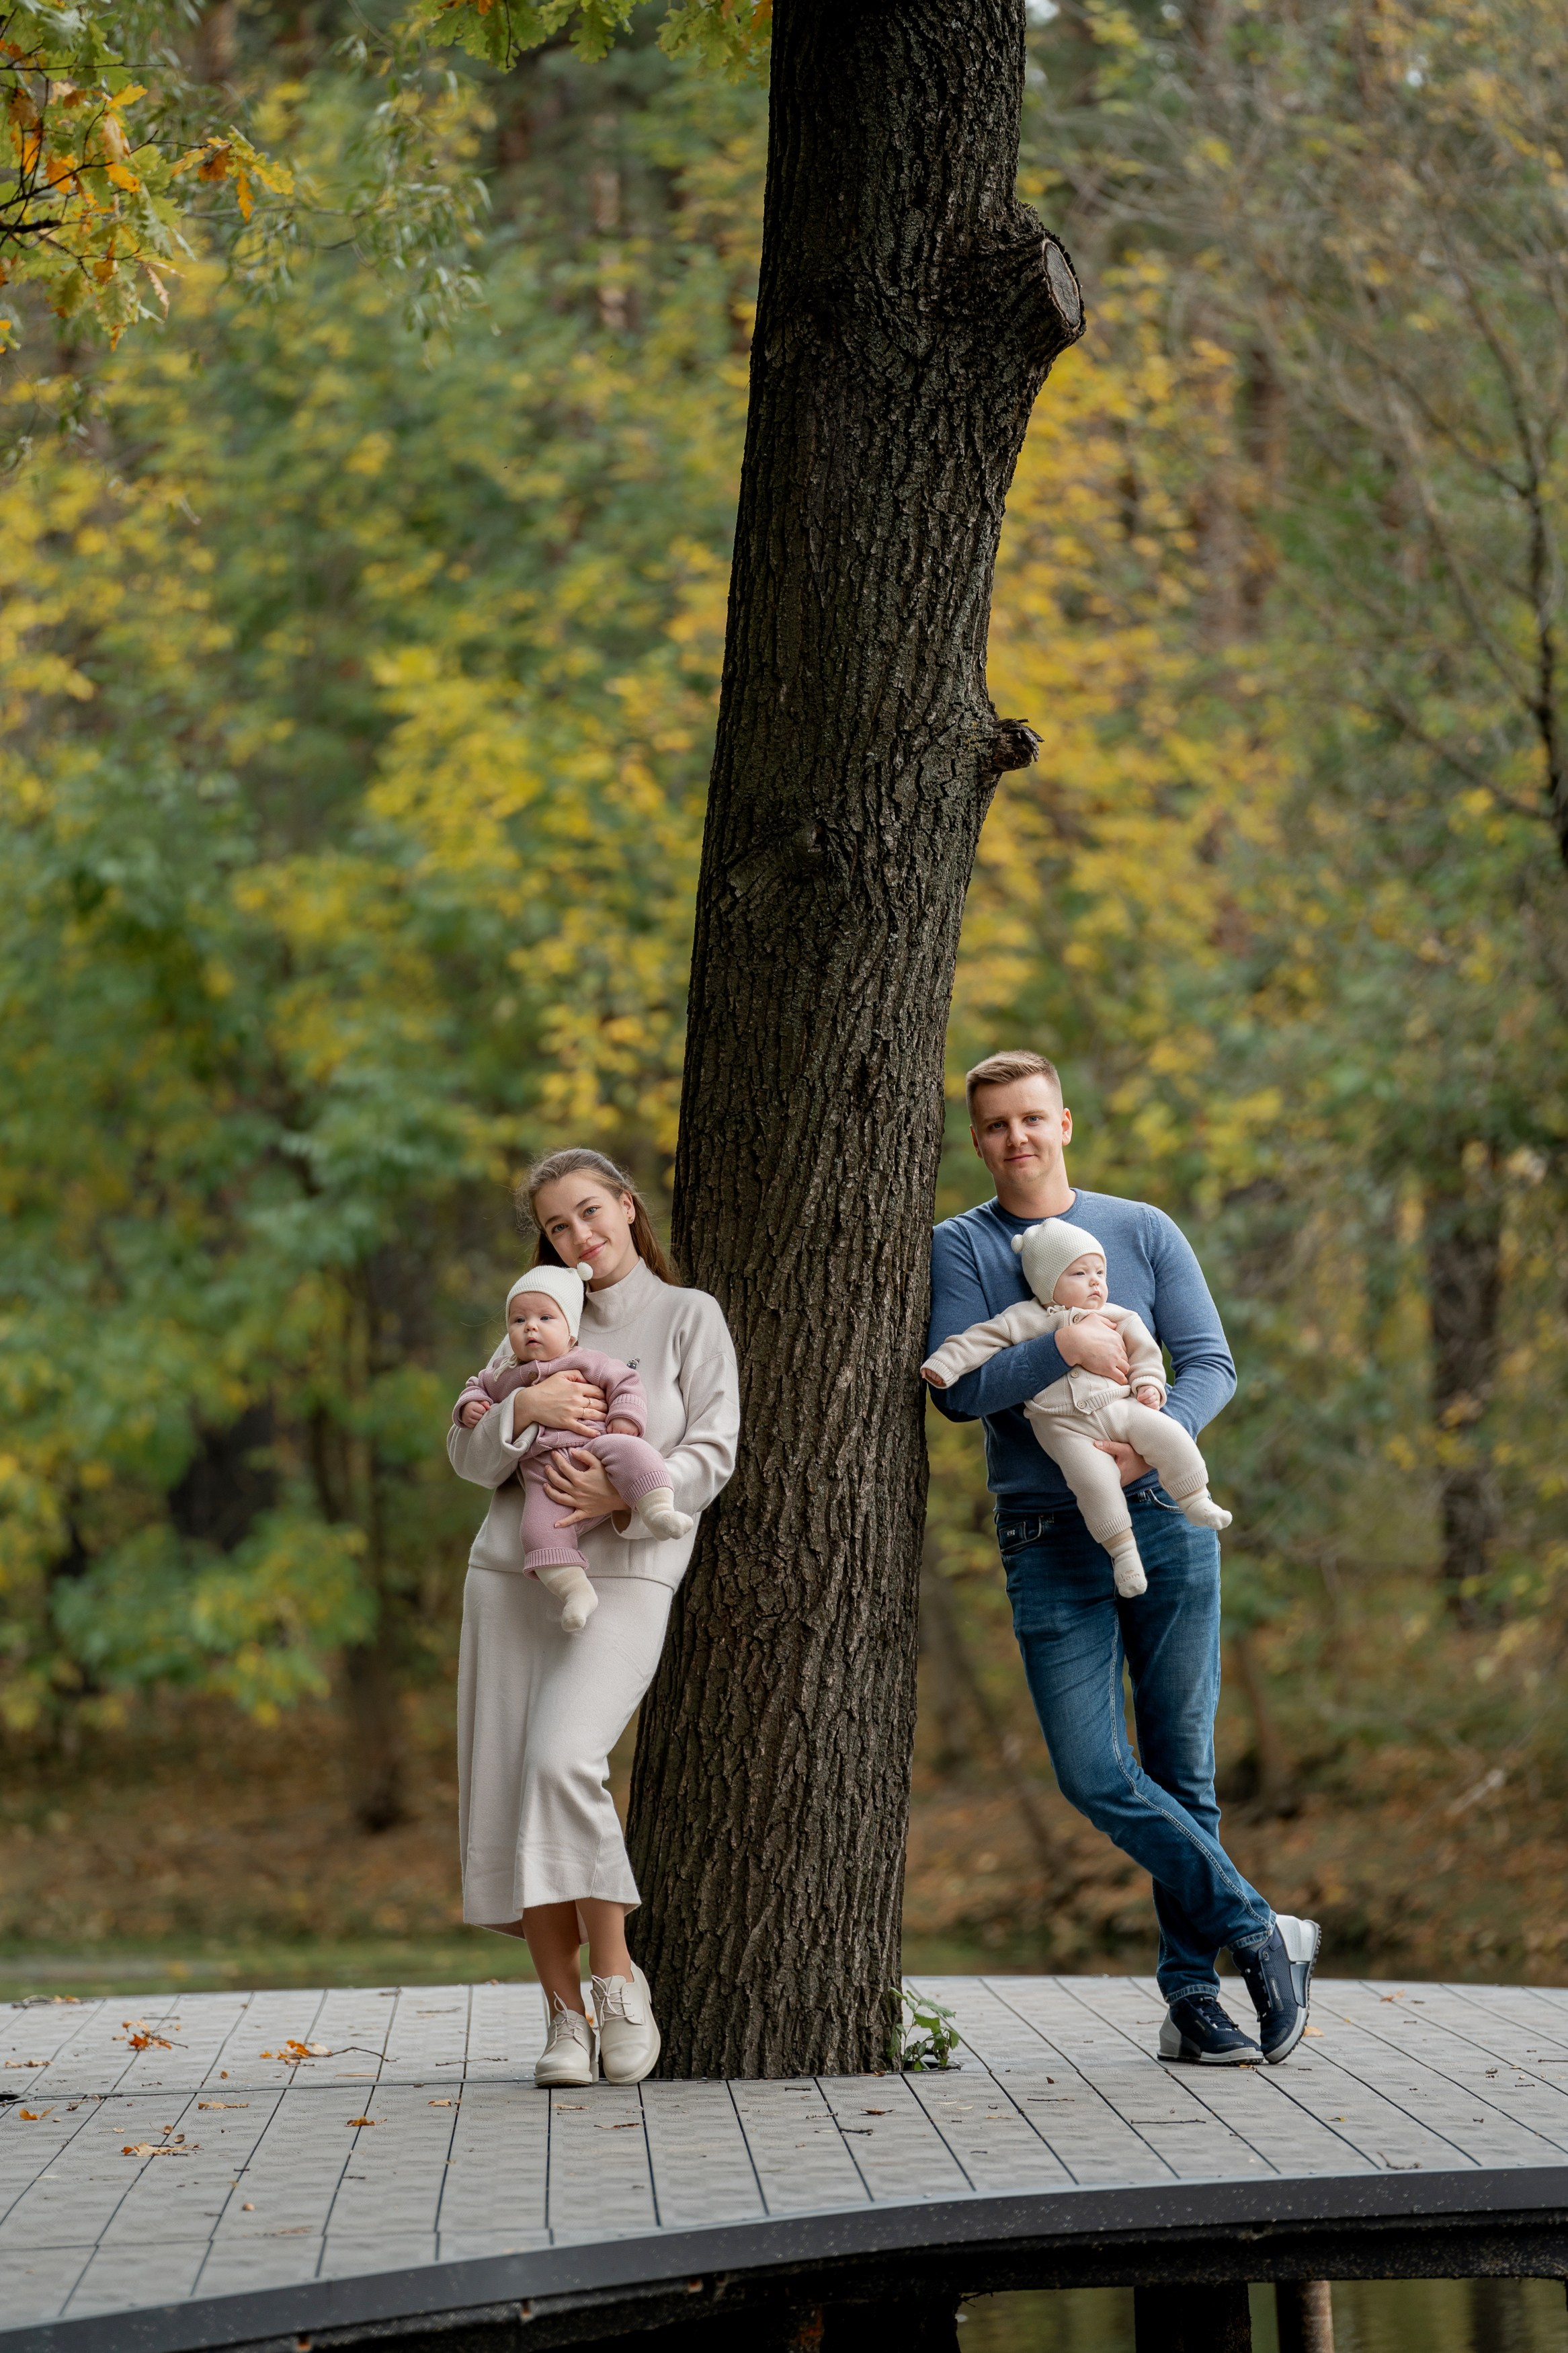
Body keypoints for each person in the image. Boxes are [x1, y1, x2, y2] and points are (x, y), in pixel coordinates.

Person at [927, 1051, 1319, 2066]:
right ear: (978, 1140)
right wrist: (1060, 1349)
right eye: (996, 1124)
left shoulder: (1140, 1229)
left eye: (1032, 1118)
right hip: (1044, 1533)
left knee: (1183, 1765)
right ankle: (1260, 1928)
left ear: (1064, 1124)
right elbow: (960, 1392)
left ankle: (1192, 1998)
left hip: (1165, 1522)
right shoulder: (962, 1245)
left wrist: (1150, 1436)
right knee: (1096, 1771)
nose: (1016, 1137)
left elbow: (1211, 1362)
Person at [449, 1148, 739, 2089]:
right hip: (511, 1576)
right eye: (557, 1225)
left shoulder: (688, 1315)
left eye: (589, 1211)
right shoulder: (536, 1320)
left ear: (625, 1204)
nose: (579, 1235)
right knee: (513, 1788)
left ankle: (616, 1981)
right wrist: (522, 1407)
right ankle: (563, 2018)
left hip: (629, 1574)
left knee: (560, 1761)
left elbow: (714, 1447)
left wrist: (623, 1498)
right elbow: (466, 1453)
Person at [921, 1215, 1231, 1601]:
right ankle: (1124, 1554)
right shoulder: (1025, 1318)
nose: (1095, 1282)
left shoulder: (1117, 1314)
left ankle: (1196, 1499)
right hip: (1064, 1429)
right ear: (1048, 1283)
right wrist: (944, 1365)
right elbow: (979, 1341)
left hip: (1122, 1408)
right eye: (1080, 1274)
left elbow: (1147, 1353)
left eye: (1100, 1272)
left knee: (1170, 1434)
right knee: (1094, 1484)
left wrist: (1149, 1384)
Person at [453, 1265, 693, 1632]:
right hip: (545, 1478)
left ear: (570, 1332)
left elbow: (625, 1381)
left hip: (596, 1446)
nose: (530, 1327)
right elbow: (476, 1387)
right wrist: (470, 1406)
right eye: (519, 1320)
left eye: (545, 1318)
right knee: (536, 1532)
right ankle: (575, 1592)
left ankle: (658, 1510)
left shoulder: (584, 1359)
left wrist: (625, 1418)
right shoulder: (502, 1373)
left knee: (635, 1454)